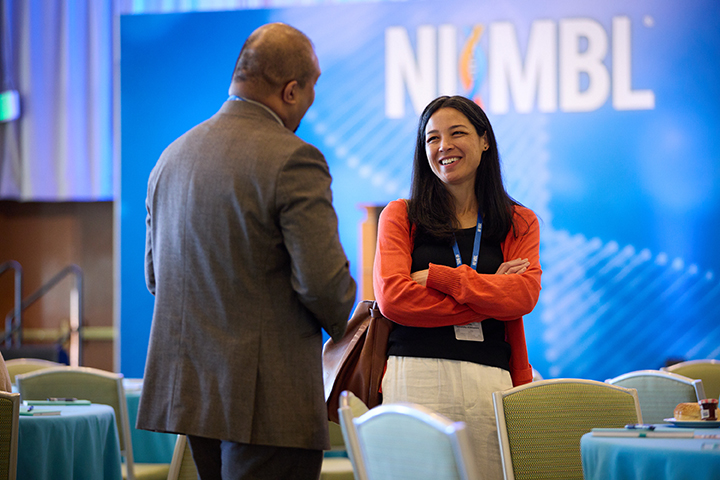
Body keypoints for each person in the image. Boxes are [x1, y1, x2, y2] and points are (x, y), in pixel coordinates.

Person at [138, 23, 357, 480]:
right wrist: (344, 316)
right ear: (291, 90)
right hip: (269, 405)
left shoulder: (170, 158)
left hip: (196, 399)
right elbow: (324, 286)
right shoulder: (294, 158)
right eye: (312, 90)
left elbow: (156, 279)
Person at [373, 95, 541, 479]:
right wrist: (493, 291)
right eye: (432, 138)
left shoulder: (519, 221)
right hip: (413, 374)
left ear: (484, 140)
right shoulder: (401, 215)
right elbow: (394, 300)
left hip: (491, 381)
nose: (443, 146)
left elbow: (523, 296)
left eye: (457, 133)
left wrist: (441, 278)